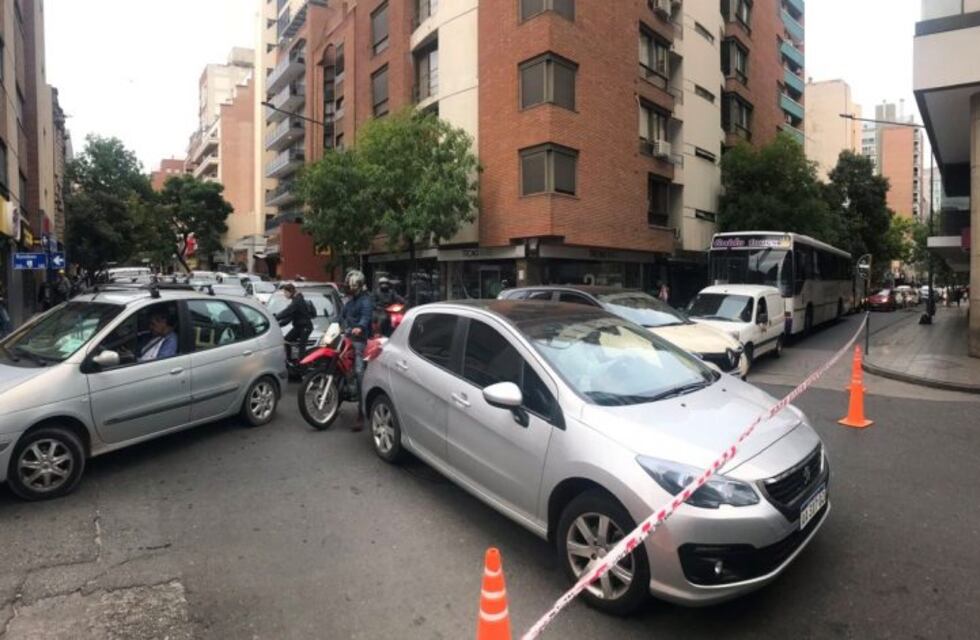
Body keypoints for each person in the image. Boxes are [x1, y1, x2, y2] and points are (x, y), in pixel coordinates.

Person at [341, 270, 373, 431]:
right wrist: (335, 324)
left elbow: (365, 318)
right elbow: (342, 316)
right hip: (346, 337)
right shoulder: (350, 301)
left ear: (358, 287)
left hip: (359, 341)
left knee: (360, 373)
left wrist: (359, 327)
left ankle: (361, 414)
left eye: (351, 288)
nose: (349, 290)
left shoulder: (366, 301)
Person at [275, 283, 314, 360]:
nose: (284, 295)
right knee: (286, 341)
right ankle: (289, 360)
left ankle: (302, 367)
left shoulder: (298, 301)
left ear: (290, 292)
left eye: (285, 293)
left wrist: (275, 318)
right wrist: (278, 324)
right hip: (298, 327)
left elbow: (287, 311)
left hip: (305, 327)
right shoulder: (295, 300)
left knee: (301, 347)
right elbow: (289, 317)